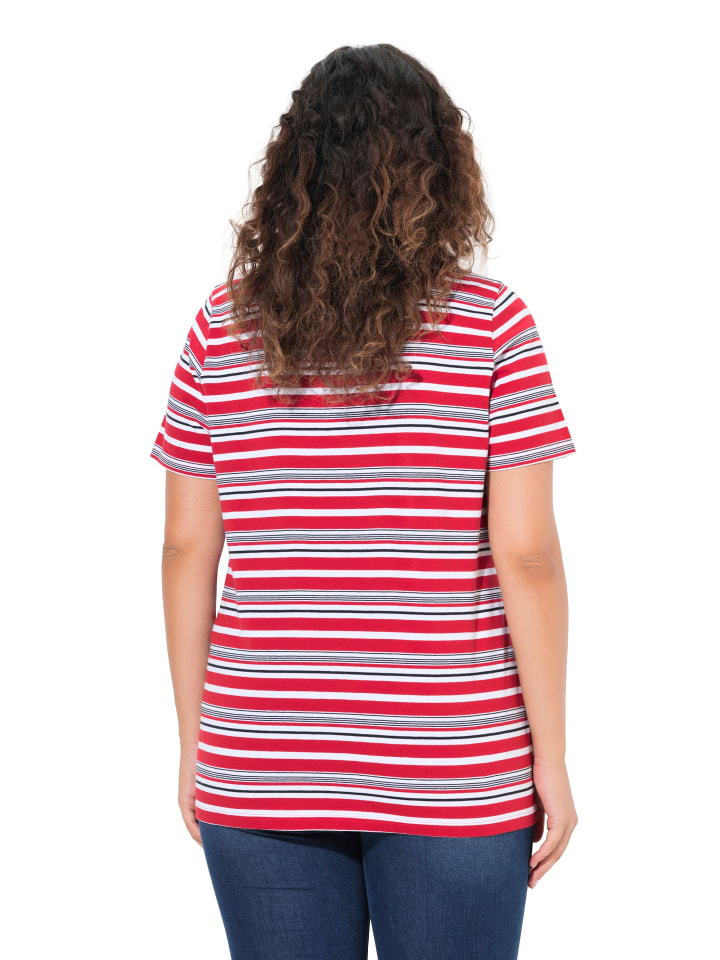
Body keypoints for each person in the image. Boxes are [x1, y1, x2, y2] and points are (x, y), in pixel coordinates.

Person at [150, 42, 579, 960]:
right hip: (453, 766)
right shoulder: (492, 326)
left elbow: (187, 549)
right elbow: (529, 557)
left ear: (294, 170)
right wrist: (552, 757)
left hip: (260, 760)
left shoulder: (220, 329)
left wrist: (196, 742)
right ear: (439, 171)